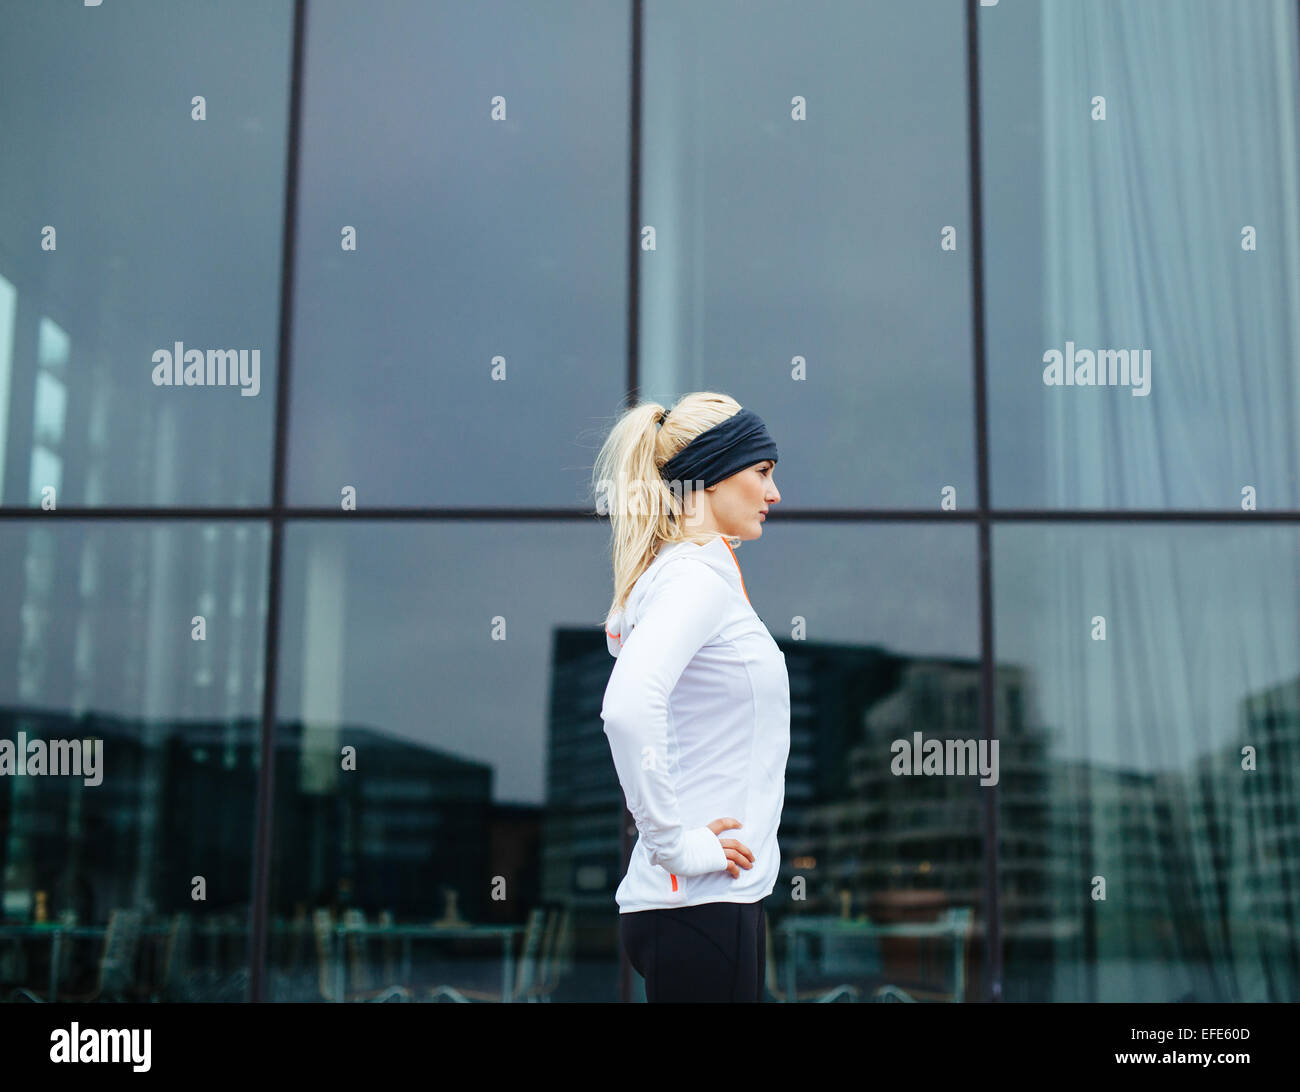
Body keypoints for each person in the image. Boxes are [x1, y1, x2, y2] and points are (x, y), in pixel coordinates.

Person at [592, 392, 790, 1003]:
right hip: (702, 906)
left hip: (703, 907)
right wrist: (677, 844)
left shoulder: (688, 575)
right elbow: (626, 709)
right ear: (710, 475)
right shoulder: (695, 577)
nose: (774, 493)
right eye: (762, 471)